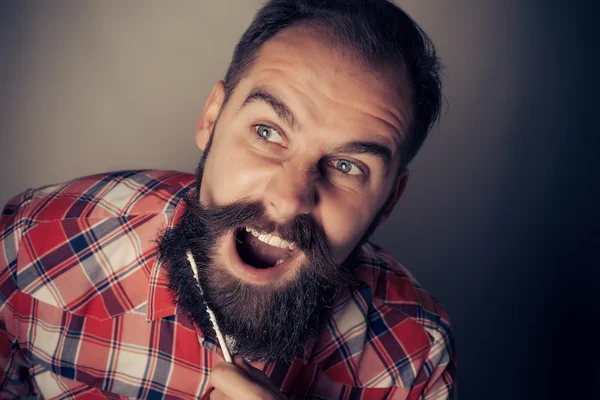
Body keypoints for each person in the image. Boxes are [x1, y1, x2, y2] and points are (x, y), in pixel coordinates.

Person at [0, 0, 456, 398]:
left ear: (389, 200)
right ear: (212, 120)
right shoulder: (32, 245)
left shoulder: (414, 357)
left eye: (346, 166)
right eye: (267, 132)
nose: (288, 198)